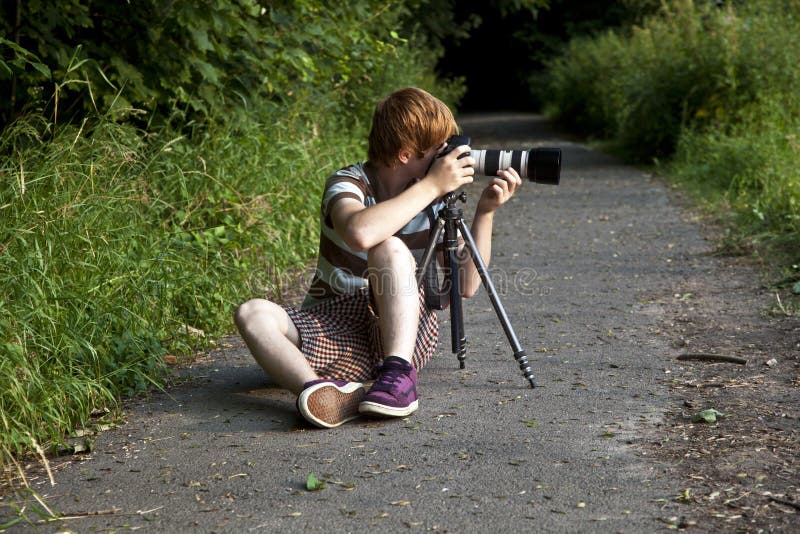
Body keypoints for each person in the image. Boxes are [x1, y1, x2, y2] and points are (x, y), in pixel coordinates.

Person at [234, 87, 521, 428]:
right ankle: (319, 393)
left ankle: (397, 376)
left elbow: (468, 285)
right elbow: (360, 232)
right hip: (335, 329)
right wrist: (430, 186)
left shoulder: (436, 202)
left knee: (390, 249)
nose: (448, 158)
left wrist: (485, 213)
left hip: (401, 331)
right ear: (405, 154)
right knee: (252, 313)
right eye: (438, 149)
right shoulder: (349, 183)